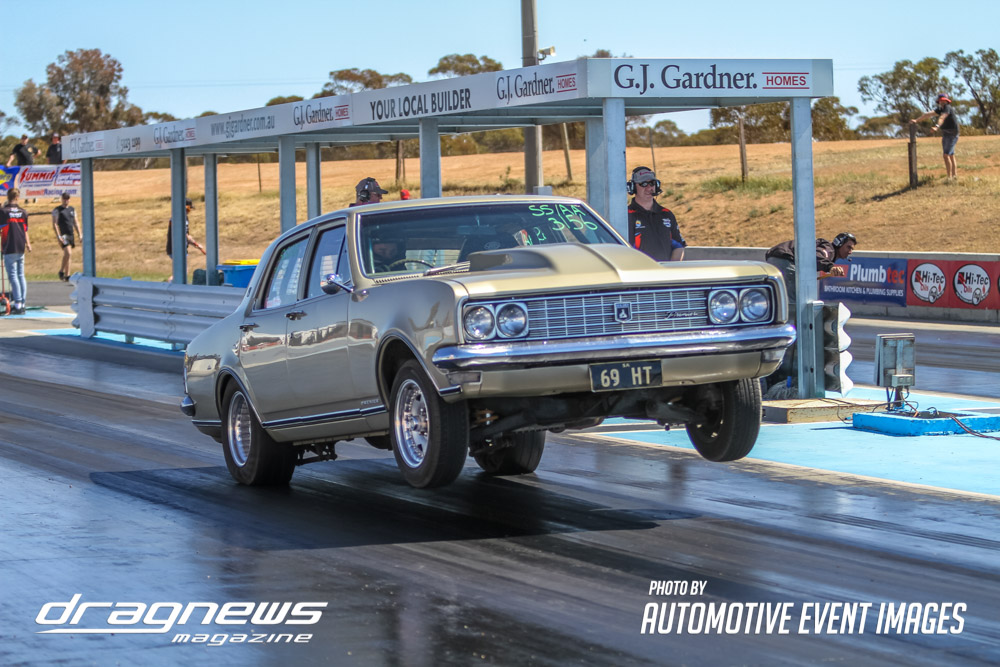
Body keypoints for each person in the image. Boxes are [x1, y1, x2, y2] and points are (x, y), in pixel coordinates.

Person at [765, 233, 856, 311]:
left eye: (852, 249)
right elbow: (816, 256)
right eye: (848, 247)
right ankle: (794, 325)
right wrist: (830, 267)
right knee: (796, 301)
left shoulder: (825, 249)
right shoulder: (829, 249)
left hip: (774, 259)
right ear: (839, 244)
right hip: (785, 259)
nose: (850, 252)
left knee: (779, 299)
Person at [626, 166, 685, 261]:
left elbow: (678, 246)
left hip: (664, 269)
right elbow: (623, 249)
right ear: (633, 188)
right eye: (643, 184)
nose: (649, 188)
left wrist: (672, 267)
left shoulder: (667, 214)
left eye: (652, 183)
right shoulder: (627, 215)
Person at [911, 93, 959, 180]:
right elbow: (928, 114)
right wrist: (917, 120)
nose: (942, 102)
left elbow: (942, 117)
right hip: (946, 133)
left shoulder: (947, 108)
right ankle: (954, 176)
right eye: (940, 101)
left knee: (946, 155)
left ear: (947, 101)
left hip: (952, 134)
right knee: (950, 155)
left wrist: (937, 127)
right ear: (939, 101)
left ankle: (950, 177)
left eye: (944, 101)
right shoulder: (940, 109)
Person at [1, 188, 32, 314]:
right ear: (17, 197)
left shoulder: (4, 211)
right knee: (20, 274)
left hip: (9, 245)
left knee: (13, 275)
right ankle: (22, 302)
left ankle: (18, 303)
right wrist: (28, 244)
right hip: (20, 245)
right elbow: (25, 230)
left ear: (8, 197)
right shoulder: (23, 212)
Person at [52, 192, 82, 281]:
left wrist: (80, 234)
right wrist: (58, 236)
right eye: (64, 199)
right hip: (63, 234)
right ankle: (61, 271)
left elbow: (76, 222)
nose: (66, 201)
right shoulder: (57, 210)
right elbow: (55, 224)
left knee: (68, 255)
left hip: (70, 234)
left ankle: (67, 274)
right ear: (62, 199)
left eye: (67, 199)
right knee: (68, 253)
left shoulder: (72, 209)